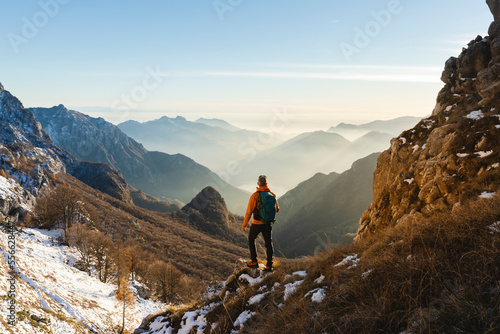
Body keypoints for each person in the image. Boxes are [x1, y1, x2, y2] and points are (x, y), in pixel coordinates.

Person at [242, 175, 280, 272]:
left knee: (251, 239)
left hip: (256, 223)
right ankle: (269, 266)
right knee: (268, 243)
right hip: (267, 223)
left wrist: (244, 224)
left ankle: (254, 261)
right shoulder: (272, 195)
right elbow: (277, 209)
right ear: (266, 184)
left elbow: (249, 211)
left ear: (258, 183)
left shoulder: (255, 195)